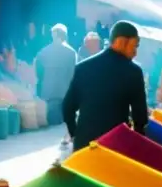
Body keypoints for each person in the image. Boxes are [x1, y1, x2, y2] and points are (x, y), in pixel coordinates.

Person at [62, 20, 148, 151]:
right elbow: (140, 117)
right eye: (134, 46)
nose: (135, 52)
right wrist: (137, 144)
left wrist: (75, 134)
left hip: (85, 146)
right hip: (115, 146)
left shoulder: (83, 67)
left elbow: (67, 107)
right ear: (121, 42)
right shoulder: (133, 71)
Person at [35, 23, 77, 128]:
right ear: (65, 35)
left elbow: (38, 71)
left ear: (53, 35)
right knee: (64, 124)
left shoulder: (43, 52)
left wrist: (42, 81)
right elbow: (74, 73)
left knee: (52, 121)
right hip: (66, 92)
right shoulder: (71, 52)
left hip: (49, 92)